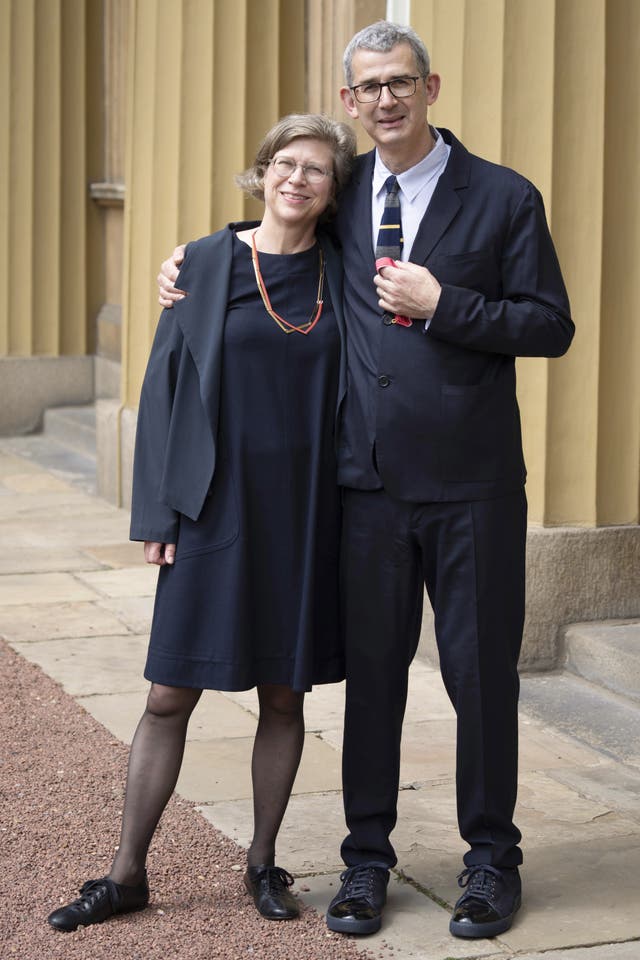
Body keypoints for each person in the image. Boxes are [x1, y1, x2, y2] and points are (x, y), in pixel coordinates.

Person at [157, 21, 574, 941]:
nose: (385, 98)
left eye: (400, 82)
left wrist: (446, 305)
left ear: (432, 88)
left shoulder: (504, 197)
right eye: (368, 86)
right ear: (351, 102)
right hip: (365, 489)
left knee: (479, 678)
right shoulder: (342, 201)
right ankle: (366, 862)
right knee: (374, 680)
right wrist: (194, 259)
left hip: (473, 487)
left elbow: (551, 325)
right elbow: (276, 227)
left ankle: (489, 862)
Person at [46, 113, 356, 934]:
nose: (297, 178)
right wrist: (158, 512)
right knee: (168, 694)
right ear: (261, 174)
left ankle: (262, 863)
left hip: (308, 514)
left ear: (333, 192)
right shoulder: (207, 262)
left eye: (316, 170)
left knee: (285, 698)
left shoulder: (345, 271)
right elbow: (167, 390)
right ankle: (126, 874)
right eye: (285, 164)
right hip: (216, 507)